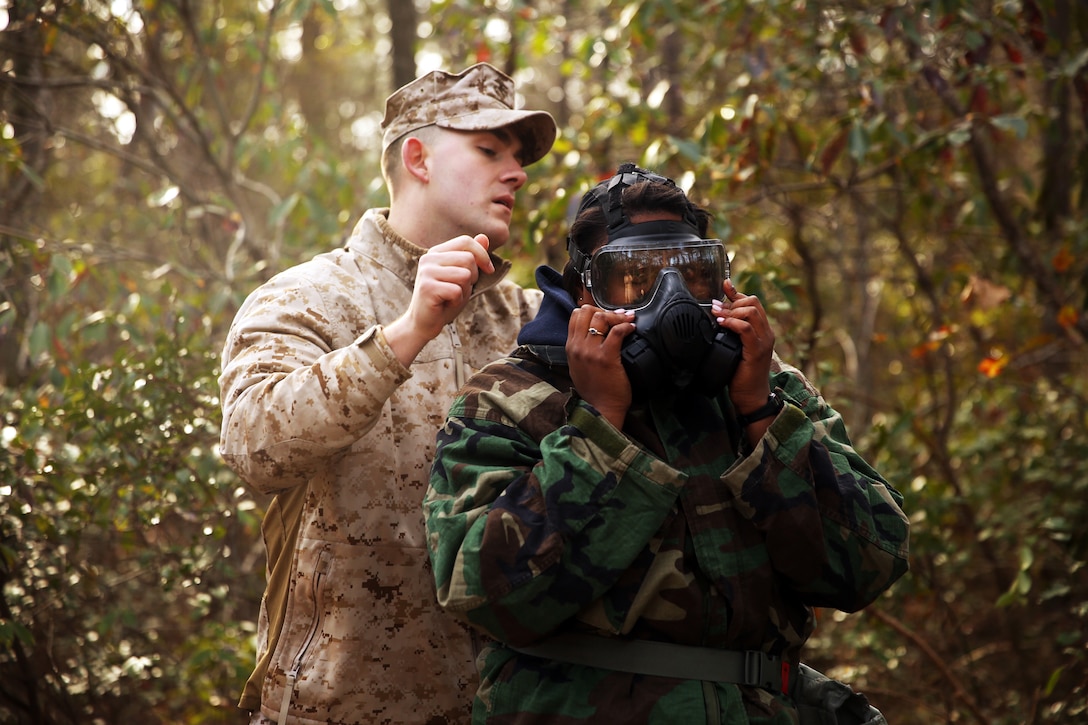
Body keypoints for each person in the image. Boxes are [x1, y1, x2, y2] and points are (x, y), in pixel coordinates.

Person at [424, 164, 910, 723]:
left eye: (693, 275)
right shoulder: (509, 399)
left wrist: (761, 412)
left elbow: (870, 564)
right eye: (634, 279)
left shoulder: (762, 384)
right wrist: (601, 427)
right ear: (584, 288)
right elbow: (486, 596)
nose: (671, 299)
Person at [218, 62, 557, 725]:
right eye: (490, 150)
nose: (516, 172)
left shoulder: (530, 320)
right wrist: (407, 331)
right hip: (337, 709)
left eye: (519, 157)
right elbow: (255, 445)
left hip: (510, 708)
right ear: (418, 157)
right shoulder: (307, 297)